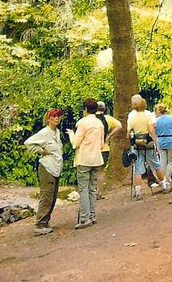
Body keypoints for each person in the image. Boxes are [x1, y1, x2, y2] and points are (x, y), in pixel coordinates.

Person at [24, 108, 64, 236]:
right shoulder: (44, 132)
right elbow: (28, 143)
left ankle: (45, 221)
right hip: (47, 167)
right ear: (48, 119)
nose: (57, 118)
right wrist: (41, 151)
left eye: (58, 116)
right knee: (46, 195)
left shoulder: (57, 132)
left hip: (56, 167)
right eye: (54, 116)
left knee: (53, 196)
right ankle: (39, 224)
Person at [67, 99, 105, 229]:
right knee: (92, 188)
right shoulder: (100, 124)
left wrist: (71, 134)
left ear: (85, 109)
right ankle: (92, 216)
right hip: (97, 159)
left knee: (83, 188)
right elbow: (101, 143)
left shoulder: (82, 123)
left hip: (84, 159)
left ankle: (84, 218)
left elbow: (75, 143)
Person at [128, 94, 166, 200]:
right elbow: (152, 130)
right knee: (156, 164)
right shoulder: (148, 115)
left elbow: (128, 132)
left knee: (137, 168)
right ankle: (164, 185)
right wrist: (156, 143)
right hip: (148, 143)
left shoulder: (131, 116)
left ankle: (138, 191)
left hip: (136, 144)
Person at [154, 103, 172, 193]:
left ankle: (163, 181)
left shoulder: (156, 121)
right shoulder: (171, 119)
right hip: (171, 140)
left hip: (160, 141)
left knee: (162, 162)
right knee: (171, 161)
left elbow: (154, 131)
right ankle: (168, 180)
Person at [96, 101, 123, 167]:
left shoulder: (91, 118)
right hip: (104, 148)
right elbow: (119, 125)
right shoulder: (108, 118)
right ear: (104, 109)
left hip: (92, 149)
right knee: (101, 171)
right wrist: (110, 135)